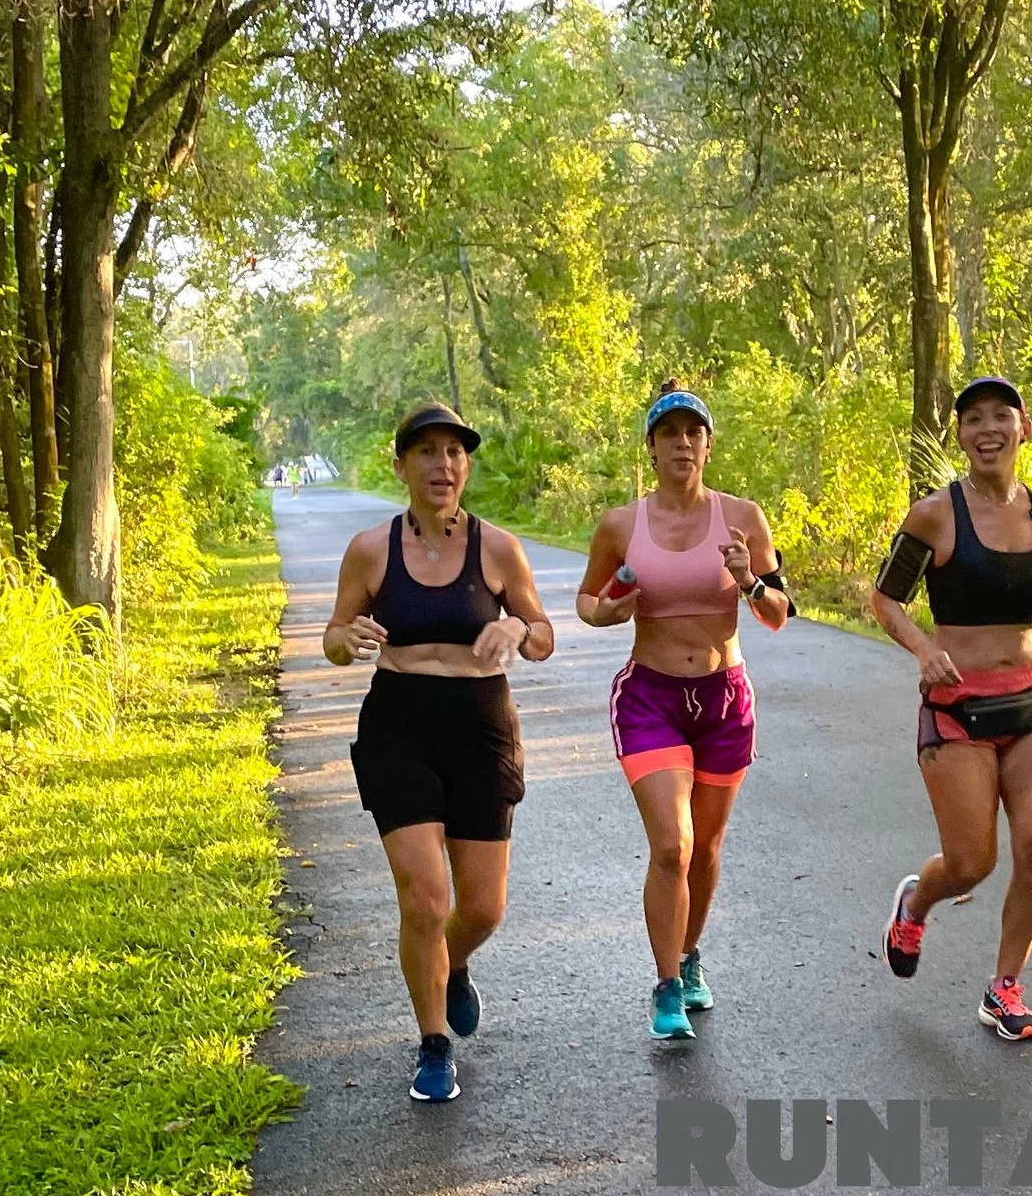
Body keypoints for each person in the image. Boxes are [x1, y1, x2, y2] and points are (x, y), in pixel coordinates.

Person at [322, 402, 555, 1104]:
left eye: (454, 452)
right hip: (399, 724)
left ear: (467, 467)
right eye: (425, 452)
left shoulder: (498, 548)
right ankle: (432, 1044)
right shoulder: (371, 550)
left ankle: (450, 967)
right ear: (401, 466)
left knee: (481, 908)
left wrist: (515, 626)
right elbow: (333, 638)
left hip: (483, 727)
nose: (442, 465)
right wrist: (349, 639)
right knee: (425, 897)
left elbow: (544, 634)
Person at [868, 372, 1032, 1044]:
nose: (988, 428)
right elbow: (884, 599)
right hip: (957, 707)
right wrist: (920, 647)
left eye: (1002, 415)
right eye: (973, 419)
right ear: (961, 435)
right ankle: (916, 901)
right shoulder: (936, 514)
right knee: (971, 862)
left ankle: (1005, 987)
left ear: (1024, 427)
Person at [577, 388, 790, 1042]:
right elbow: (588, 603)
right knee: (673, 846)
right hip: (651, 699)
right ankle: (666, 984)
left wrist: (750, 577)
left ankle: (690, 955)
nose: (681, 443)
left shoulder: (743, 517)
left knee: (706, 849)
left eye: (692, 432)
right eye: (668, 432)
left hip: (726, 701)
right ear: (652, 445)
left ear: (707, 443)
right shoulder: (622, 525)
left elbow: (779, 613)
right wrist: (612, 606)